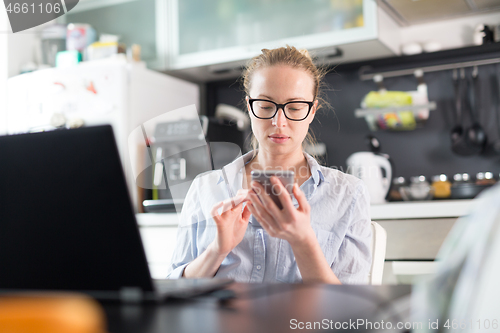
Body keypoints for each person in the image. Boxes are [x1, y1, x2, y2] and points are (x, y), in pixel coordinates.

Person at [167, 46, 372, 284]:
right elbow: (175, 287)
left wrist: (303, 241)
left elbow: (352, 308)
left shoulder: (348, 193)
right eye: (265, 106)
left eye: (294, 108)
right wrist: (217, 250)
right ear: (249, 106)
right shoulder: (205, 188)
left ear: (312, 111)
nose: (279, 122)